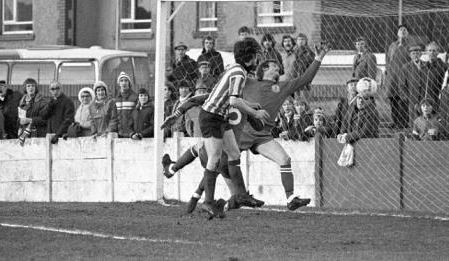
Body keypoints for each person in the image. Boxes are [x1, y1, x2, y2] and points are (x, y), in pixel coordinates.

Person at [163, 43, 330, 212]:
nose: (277, 68)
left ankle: (290, 198)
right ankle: (194, 191)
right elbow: (218, 95)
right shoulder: (247, 81)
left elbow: (306, 79)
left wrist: (318, 58)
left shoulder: (283, 86)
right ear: (263, 69)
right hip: (242, 132)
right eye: (273, 66)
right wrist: (184, 107)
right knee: (213, 157)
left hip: (262, 135)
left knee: (284, 160)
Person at [197, 37, 270, 218]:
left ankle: (241, 195)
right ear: (249, 57)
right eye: (255, 56)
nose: (257, 61)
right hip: (211, 117)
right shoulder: (239, 73)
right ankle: (208, 202)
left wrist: (250, 104)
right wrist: (255, 113)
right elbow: (233, 100)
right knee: (214, 158)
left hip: (220, 117)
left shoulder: (234, 69)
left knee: (234, 153)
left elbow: (234, 97)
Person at [385, 24, 415, 128]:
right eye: (400, 29)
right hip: (392, 77)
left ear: (408, 33)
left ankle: (403, 122)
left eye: (405, 30)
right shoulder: (392, 45)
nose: (402, 31)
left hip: (403, 77)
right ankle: (395, 121)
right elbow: (388, 60)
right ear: (397, 33)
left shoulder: (410, 46)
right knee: (393, 99)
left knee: (403, 99)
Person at [399, 44, 427, 125]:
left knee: (425, 118)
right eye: (413, 54)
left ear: (421, 54)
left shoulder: (426, 65)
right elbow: (402, 85)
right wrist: (407, 98)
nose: (416, 55)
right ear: (410, 55)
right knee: (413, 120)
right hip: (412, 98)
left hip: (424, 97)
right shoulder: (406, 67)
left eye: (417, 53)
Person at [17, 78, 49, 145]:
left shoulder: (42, 102)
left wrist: (30, 120)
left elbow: (45, 119)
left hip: (38, 135)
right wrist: (20, 122)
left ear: (36, 88)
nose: (31, 88)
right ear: (25, 88)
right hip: (24, 135)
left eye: (33, 86)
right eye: (28, 86)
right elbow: (19, 118)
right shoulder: (22, 102)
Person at [424, 42, 447, 109]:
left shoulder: (442, 66)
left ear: (438, 52)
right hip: (424, 98)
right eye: (430, 50)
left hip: (436, 98)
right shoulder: (424, 65)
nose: (432, 52)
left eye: (434, 50)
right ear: (426, 52)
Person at [115, 72, 138, 138]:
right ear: (119, 83)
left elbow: (137, 117)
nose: (124, 83)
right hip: (118, 133)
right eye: (121, 81)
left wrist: (134, 132)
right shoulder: (116, 99)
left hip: (132, 134)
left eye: (126, 80)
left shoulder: (135, 97)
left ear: (129, 83)